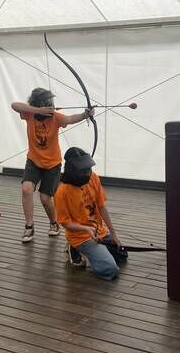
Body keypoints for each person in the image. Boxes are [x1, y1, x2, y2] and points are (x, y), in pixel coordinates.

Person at [11, 88, 93, 243]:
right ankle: (29, 226)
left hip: (52, 164)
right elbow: (14, 105)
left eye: (51, 102)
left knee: (45, 198)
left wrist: (85, 115)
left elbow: (70, 119)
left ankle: (54, 223)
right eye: (47, 102)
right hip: (34, 161)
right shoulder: (30, 114)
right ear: (38, 104)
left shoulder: (55, 117)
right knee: (26, 189)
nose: (51, 105)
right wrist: (37, 110)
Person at [54, 147, 123, 281]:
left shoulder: (93, 178)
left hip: (98, 231)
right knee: (110, 269)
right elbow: (65, 223)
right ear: (72, 170)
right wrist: (85, 229)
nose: (88, 173)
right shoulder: (62, 192)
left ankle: (96, 252)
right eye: (84, 170)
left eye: (89, 169)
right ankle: (74, 247)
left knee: (121, 254)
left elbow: (101, 207)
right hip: (81, 236)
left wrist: (113, 233)